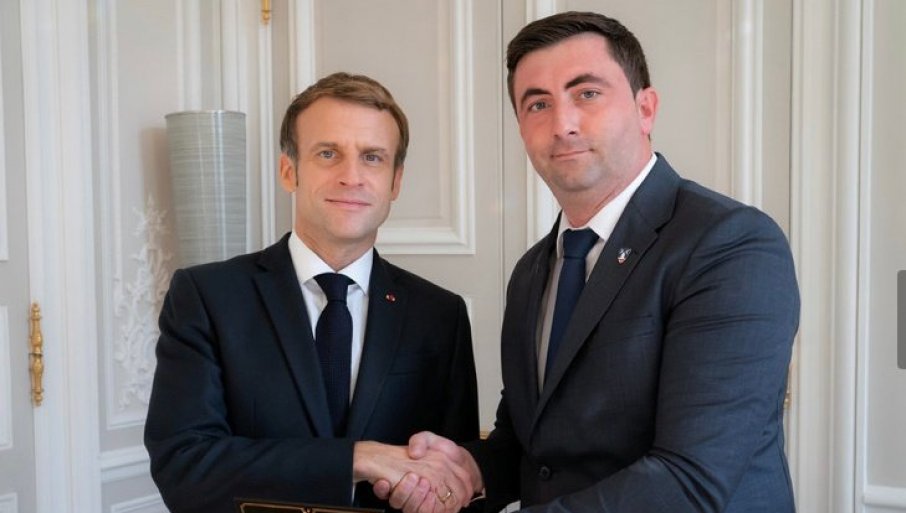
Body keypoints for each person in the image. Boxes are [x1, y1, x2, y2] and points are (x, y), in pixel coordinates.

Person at [377, 11, 800, 513]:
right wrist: (470, 470)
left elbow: (690, 479)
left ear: (646, 109)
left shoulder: (730, 245)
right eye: (538, 104)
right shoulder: (532, 272)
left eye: (587, 93)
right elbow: (534, 447)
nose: (563, 124)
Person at [144, 72, 480, 512]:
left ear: (395, 182)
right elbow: (184, 467)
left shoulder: (440, 315)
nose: (351, 176)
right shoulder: (206, 297)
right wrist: (357, 459)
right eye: (328, 153)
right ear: (289, 171)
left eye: (372, 157)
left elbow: (453, 479)